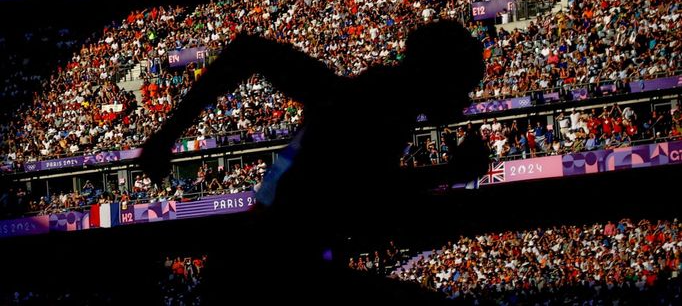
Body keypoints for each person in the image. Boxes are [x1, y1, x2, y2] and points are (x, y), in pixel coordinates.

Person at [140, 20, 486, 302]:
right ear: (437, 74)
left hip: (269, 264)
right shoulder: (371, 100)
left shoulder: (380, 102)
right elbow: (372, 188)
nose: (465, 100)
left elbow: (369, 186)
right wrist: (165, 137)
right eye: (464, 86)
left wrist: (448, 173)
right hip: (269, 269)